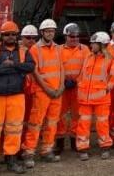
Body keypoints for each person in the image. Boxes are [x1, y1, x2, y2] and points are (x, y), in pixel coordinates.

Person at [0, 21, 34, 175]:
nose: (10, 37)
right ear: (2, 36)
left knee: (14, 129)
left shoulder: (24, 50)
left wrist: (12, 64)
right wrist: (17, 66)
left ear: (16, 35)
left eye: (13, 34)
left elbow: (31, 67)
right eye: (7, 34)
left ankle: (11, 160)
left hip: (17, 95)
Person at [22, 19, 65, 167]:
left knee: (52, 123)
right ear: (42, 33)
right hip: (42, 92)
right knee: (35, 123)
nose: (50, 33)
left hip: (56, 93)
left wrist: (61, 86)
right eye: (47, 31)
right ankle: (29, 152)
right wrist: (47, 89)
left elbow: (62, 69)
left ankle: (47, 150)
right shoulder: (35, 49)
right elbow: (35, 72)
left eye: (52, 31)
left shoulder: (58, 48)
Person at [76, 32, 114, 160]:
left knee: (102, 124)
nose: (91, 45)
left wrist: (106, 88)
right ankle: (82, 148)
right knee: (83, 124)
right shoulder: (88, 57)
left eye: (93, 43)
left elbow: (113, 78)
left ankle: (105, 147)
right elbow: (82, 75)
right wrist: (80, 84)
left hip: (101, 99)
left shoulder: (110, 59)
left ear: (101, 45)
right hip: (85, 98)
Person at [56, 23, 89, 153]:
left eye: (76, 37)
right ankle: (59, 142)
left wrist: (77, 81)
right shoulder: (58, 49)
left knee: (77, 115)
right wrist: (63, 81)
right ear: (65, 36)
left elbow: (86, 68)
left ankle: (76, 140)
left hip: (78, 88)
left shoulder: (85, 49)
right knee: (60, 115)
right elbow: (56, 68)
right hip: (63, 88)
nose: (74, 39)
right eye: (71, 37)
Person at [19, 25, 39, 146]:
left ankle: (26, 144)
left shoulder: (37, 51)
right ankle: (19, 146)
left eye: (34, 38)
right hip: (21, 91)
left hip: (34, 91)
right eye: (28, 37)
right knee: (20, 120)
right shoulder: (17, 51)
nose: (31, 40)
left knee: (31, 120)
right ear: (22, 38)